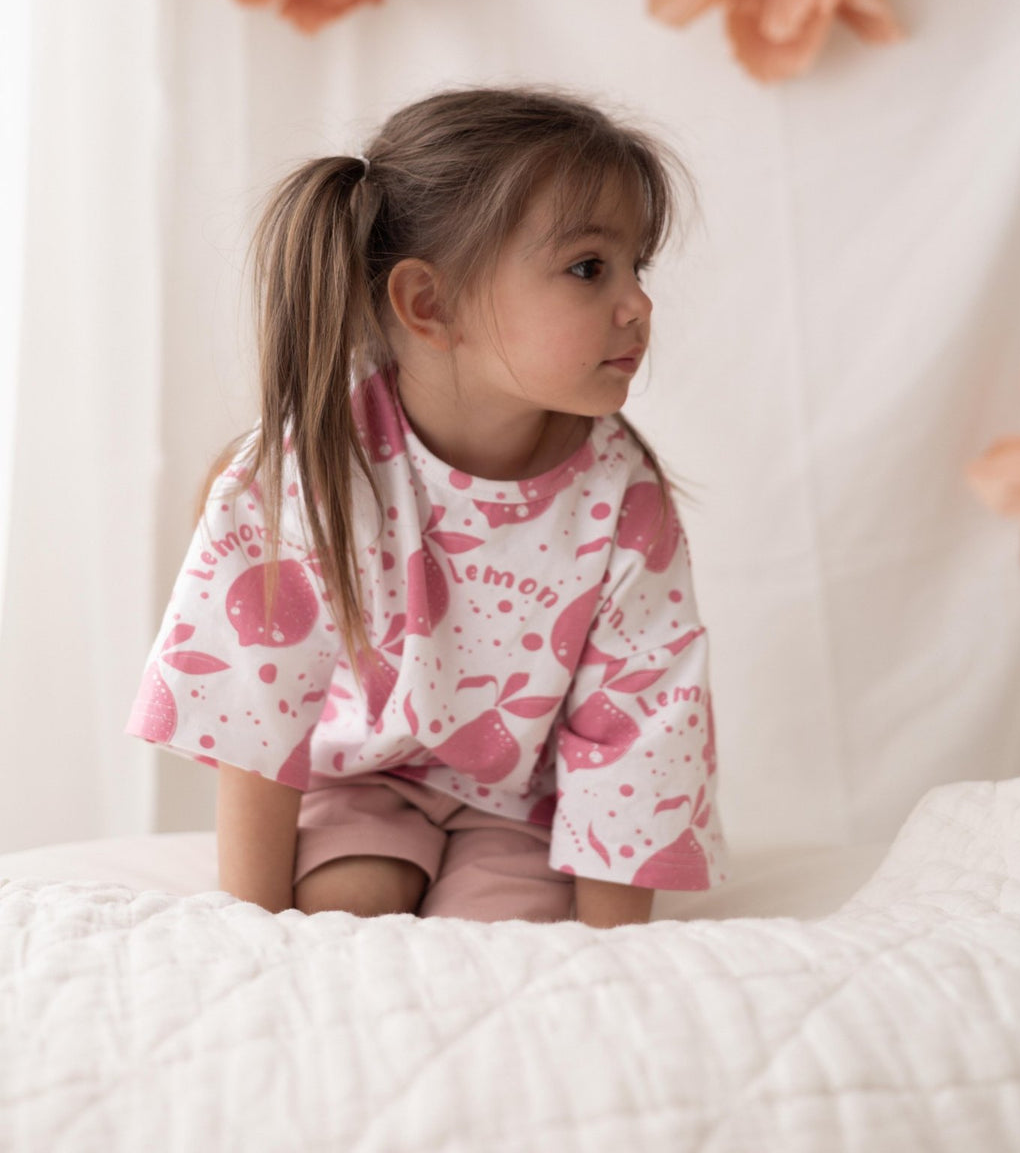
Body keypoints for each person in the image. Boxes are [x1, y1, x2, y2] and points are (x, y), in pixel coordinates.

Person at [124, 86, 727, 926]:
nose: (638, 304)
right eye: (590, 268)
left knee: (498, 950)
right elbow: (252, 709)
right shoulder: (313, 467)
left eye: (637, 267)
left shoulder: (624, 501)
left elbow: (638, 731)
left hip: (522, 807)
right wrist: (251, 933)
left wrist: (613, 956)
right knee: (346, 919)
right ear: (429, 304)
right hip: (360, 781)